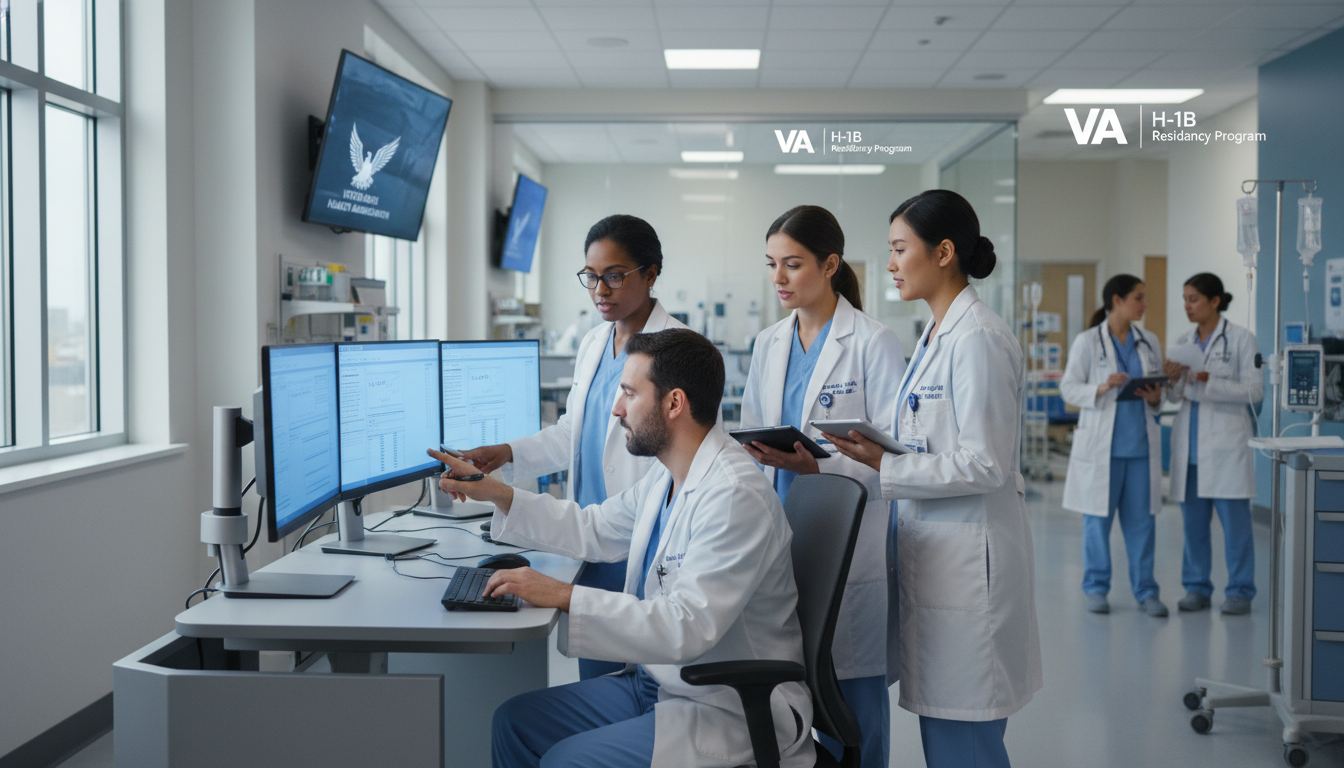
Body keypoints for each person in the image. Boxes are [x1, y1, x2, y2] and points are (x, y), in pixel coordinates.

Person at [431, 329, 814, 768]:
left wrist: (563, 594)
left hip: (724, 702)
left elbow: (685, 626)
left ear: (674, 404)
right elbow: (593, 527)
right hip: (658, 681)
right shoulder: (668, 474)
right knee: (513, 722)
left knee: (565, 761)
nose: (616, 409)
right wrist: (496, 493)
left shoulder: (733, 495)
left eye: (629, 394)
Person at [824, 189, 1042, 768]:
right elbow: (933, 441)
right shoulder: (934, 336)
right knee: (947, 734)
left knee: (964, 742)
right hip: (940, 559)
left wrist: (884, 463)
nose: (890, 264)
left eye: (900, 249)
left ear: (943, 252)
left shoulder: (978, 339)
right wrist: (880, 452)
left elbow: (985, 462)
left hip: (969, 571)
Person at [461, 214, 692, 679]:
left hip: (642, 543)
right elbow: (573, 432)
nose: (600, 290)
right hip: (588, 537)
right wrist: (506, 452)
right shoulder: (593, 342)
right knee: (599, 681)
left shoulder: (680, 350)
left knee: (640, 687)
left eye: (614, 276)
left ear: (650, 274)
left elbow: (686, 458)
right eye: (591, 277)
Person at [740, 204, 904, 767]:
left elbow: (891, 457)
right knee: (792, 699)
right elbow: (748, 444)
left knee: (854, 709)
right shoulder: (768, 344)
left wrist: (820, 469)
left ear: (831, 264)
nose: (779, 279)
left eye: (793, 264)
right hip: (779, 537)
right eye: (771, 265)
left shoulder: (873, 342)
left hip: (847, 543)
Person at [1060, 274, 1169, 617]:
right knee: (1097, 523)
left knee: (1142, 525)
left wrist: (1155, 399)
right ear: (1118, 301)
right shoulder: (1088, 341)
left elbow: (1158, 398)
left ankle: (1147, 591)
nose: (1144, 304)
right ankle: (1096, 587)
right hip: (1101, 449)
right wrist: (1101, 388)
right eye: (1139, 297)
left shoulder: (1148, 340)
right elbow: (1069, 388)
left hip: (1139, 449)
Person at [1164, 273, 1263, 615]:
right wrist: (1172, 380)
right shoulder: (1183, 341)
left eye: (1193, 299)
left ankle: (1240, 591)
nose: (1187, 306)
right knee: (1193, 528)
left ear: (1215, 301)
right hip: (1189, 447)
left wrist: (1212, 381)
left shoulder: (1241, 340)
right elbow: (1176, 396)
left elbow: (1255, 392)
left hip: (1226, 446)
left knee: (1236, 529)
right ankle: (1196, 587)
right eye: (1185, 299)